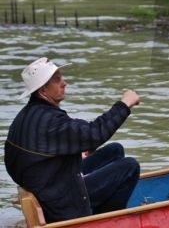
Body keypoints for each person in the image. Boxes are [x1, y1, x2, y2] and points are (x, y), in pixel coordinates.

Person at [4, 57, 141, 224]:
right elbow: (95, 133)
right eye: (57, 80)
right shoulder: (51, 121)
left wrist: (70, 155)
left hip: (51, 184)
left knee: (115, 150)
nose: (64, 83)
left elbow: (36, 154)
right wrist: (125, 104)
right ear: (43, 90)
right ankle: (103, 222)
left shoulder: (27, 115)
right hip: (61, 203)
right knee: (130, 167)